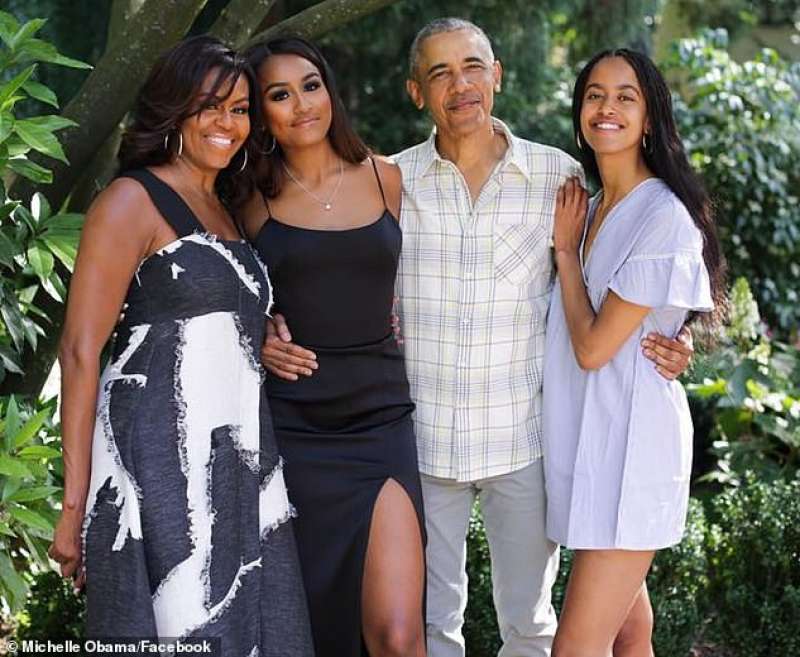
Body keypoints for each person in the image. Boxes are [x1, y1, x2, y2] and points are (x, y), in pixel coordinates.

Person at [263, 19, 694, 657]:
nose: (459, 85)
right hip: (422, 443)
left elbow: (636, 261)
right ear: (417, 92)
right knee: (434, 629)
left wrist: (677, 335)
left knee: (531, 626)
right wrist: (266, 323)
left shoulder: (561, 180)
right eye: (439, 73)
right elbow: (331, 265)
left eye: (471, 67)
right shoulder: (390, 182)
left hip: (523, 442)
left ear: (496, 76)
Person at [48, 36, 313, 655]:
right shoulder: (129, 201)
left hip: (235, 456)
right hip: (156, 460)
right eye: (210, 106)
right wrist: (74, 503)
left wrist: (264, 337)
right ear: (174, 110)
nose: (228, 123)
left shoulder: (225, 208)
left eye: (241, 109)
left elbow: (214, 324)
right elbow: (80, 351)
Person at [235, 37, 426, 657]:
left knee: (398, 635)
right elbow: (217, 292)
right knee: (315, 629)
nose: (301, 105)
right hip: (295, 426)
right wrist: (256, 333)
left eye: (310, 85)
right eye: (279, 95)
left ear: (330, 91)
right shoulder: (248, 199)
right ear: (261, 112)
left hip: (381, 420)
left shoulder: (386, 176)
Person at [544, 49, 725, 657]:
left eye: (626, 96)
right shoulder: (591, 209)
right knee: (629, 630)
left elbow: (594, 348)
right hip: (591, 442)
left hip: (632, 451)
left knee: (575, 648)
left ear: (649, 118)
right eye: (595, 94)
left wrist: (566, 256)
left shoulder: (661, 217)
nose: (608, 108)